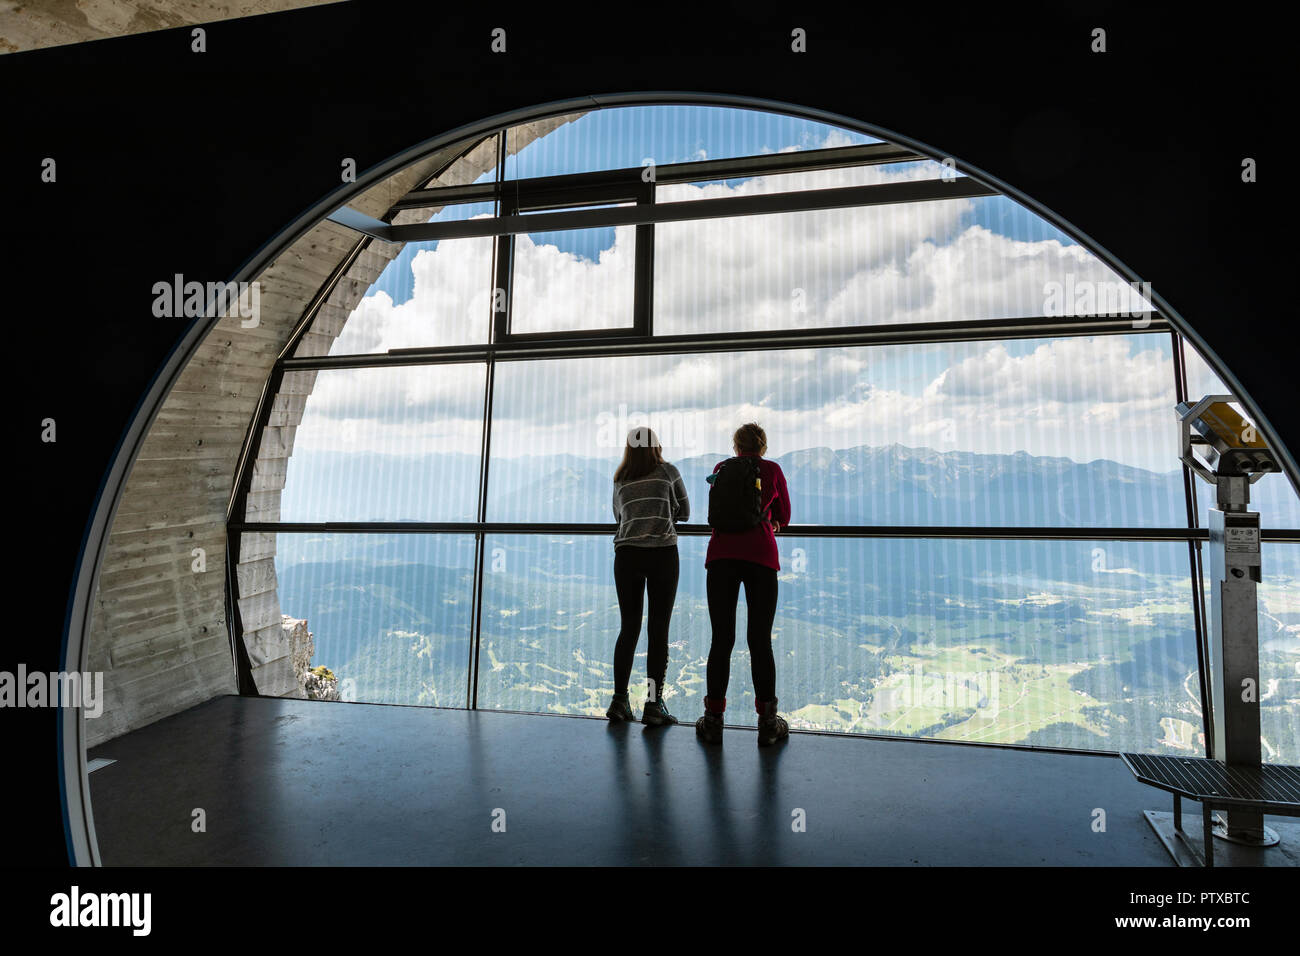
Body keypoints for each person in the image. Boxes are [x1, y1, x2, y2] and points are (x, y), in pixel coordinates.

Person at [696, 423, 791, 746]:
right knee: (760, 641)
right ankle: (767, 723)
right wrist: (770, 520)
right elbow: (784, 515)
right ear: (763, 446)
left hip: (720, 556)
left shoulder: (721, 469)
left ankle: (713, 721)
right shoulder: (773, 470)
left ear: (736, 446)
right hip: (761, 558)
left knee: (721, 640)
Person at [606, 426, 690, 725]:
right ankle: (653, 704)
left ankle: (619, 700)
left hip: (626, 555)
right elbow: (685, 511)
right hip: (661, 555)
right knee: (658, 630)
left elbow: (618, 517)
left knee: (628, 628)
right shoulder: (668, 473)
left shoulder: (620, 479)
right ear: (656, 445)